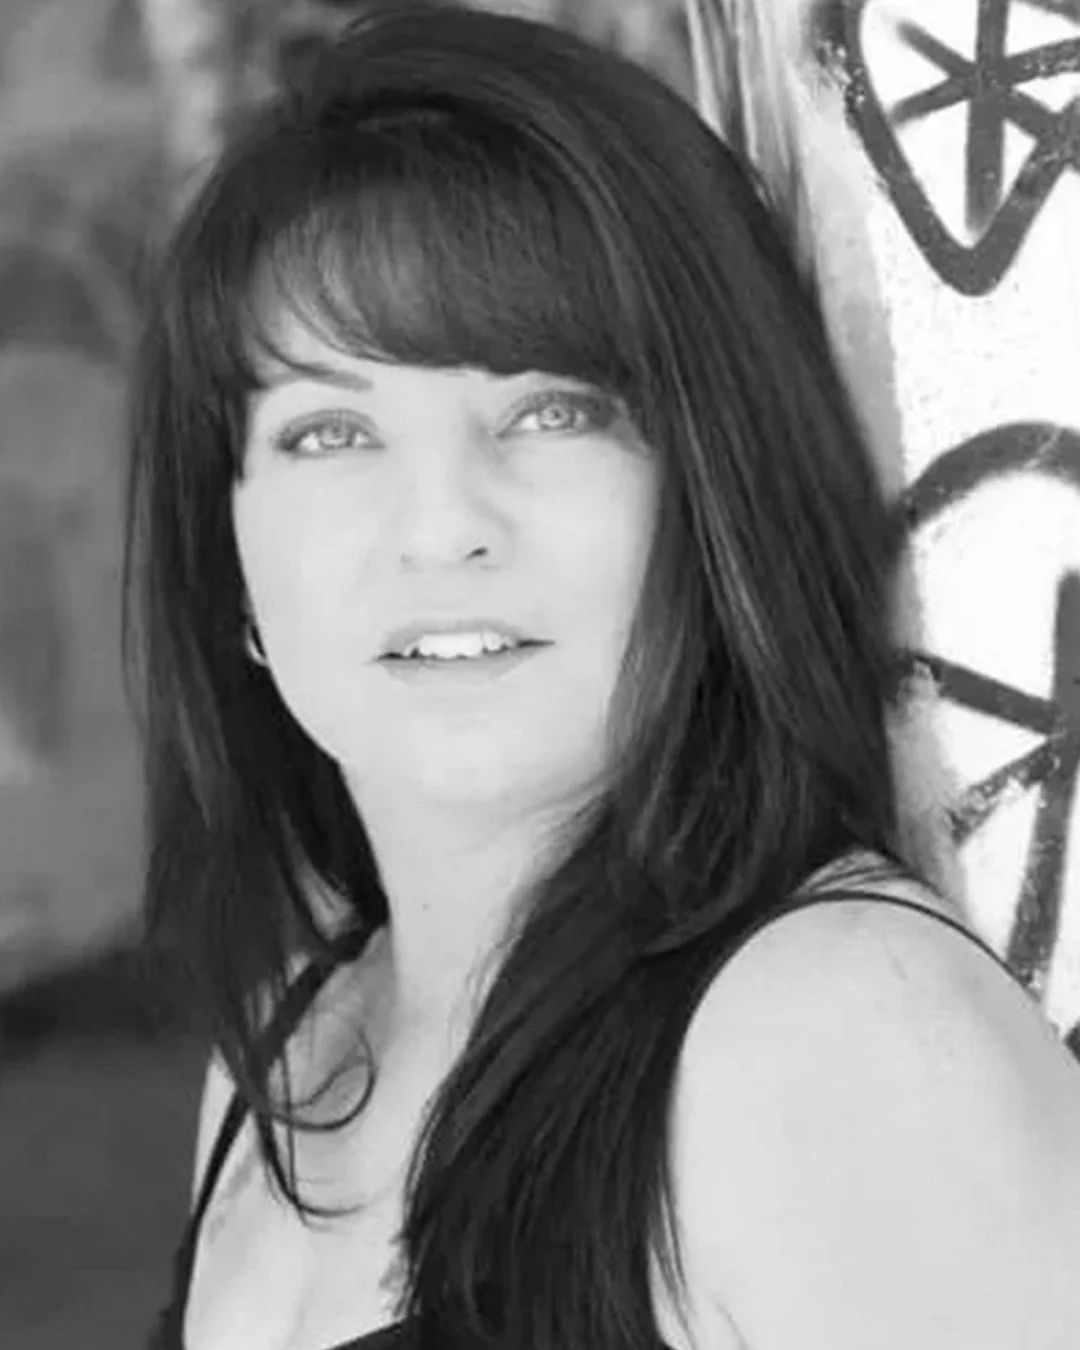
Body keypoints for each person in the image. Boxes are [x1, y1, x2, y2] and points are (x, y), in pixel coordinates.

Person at [121, 3, 1080, 1348]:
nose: (441, 523)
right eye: (329, 431)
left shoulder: (837, 1036)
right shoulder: (287, 1055)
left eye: (551, 412)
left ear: (711, 496)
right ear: (231, 578)